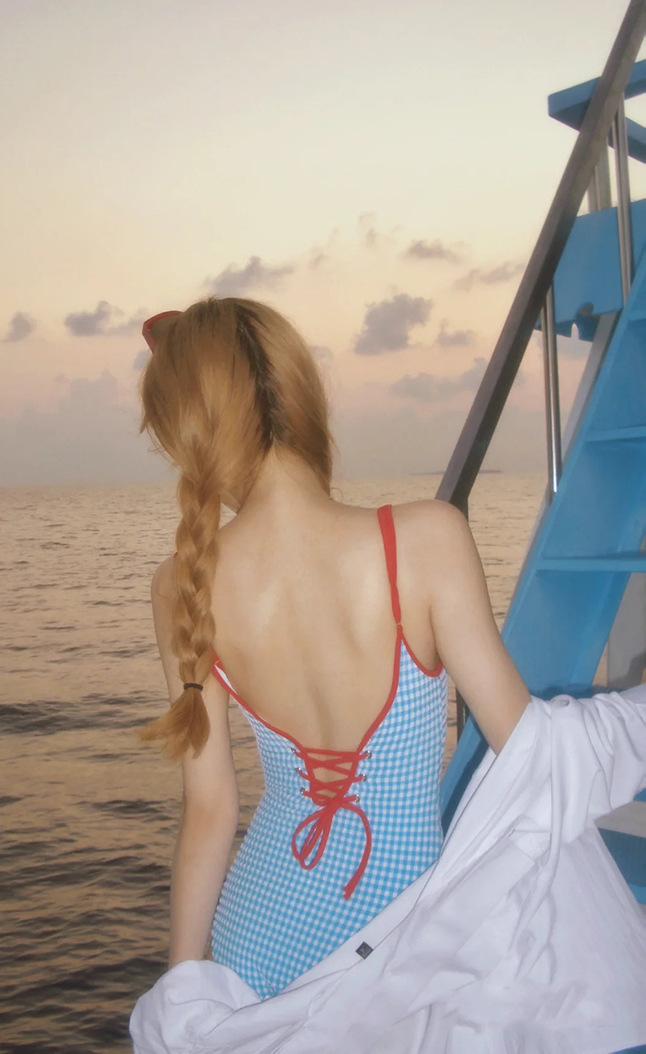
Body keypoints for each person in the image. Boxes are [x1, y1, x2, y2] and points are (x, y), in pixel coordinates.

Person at [135, 296, 531, 999]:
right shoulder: (424, 540)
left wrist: (181, 995)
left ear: (188, 436)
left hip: (250, 946)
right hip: (393, 954)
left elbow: (210, 810)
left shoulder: (181, 586)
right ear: (303, 396)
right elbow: (531, 762)